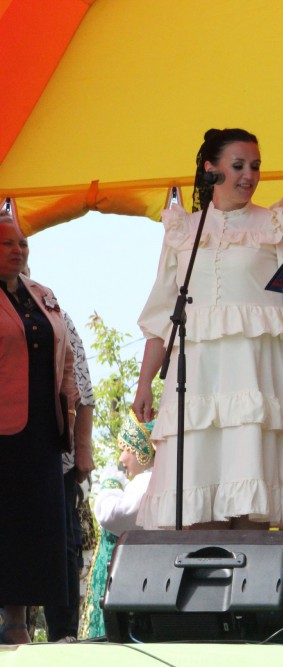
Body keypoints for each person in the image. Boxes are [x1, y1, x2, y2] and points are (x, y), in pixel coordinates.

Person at [132, 128, 283, 530]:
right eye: (238, 165)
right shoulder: (183, 230)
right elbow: (161, 314)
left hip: (256, 372)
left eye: (255, 166)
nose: (249, 175)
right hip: (199, 376)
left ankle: (253, 568)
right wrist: (144, 383)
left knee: (251, 502)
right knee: (198, 502)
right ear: (211, 169)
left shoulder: (276, 224)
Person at [0, 214, 80, 644]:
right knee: (6, 525)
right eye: (7, 244)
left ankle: (22, 624)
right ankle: (12, 624)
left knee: (38, 527)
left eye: (23, 244)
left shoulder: (42, 295)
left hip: (42, 429)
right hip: (2, 431)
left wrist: (68, 413)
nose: (18, 250)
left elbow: (66, 360)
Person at [43, 308, 96, 641]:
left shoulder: (52, 311)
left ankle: (63, 637)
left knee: (63, 546)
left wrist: (83, 448)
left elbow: (83, 389)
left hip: (54, 456)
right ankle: (13, 627)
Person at [80, 410, 156, 639]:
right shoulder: (146, 482)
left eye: (126, 449)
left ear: (142, 452)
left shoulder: (147, 482)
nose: (122, 458)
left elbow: (111, 515)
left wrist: (110, 485)